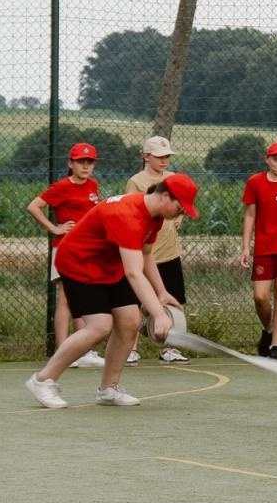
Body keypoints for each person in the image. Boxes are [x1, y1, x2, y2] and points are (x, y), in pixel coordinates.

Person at [24, 173, 200, 409]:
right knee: (99, 326)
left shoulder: (155, 216)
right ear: (166, 196)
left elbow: (146, 255)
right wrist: (158, 314)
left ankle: (108, 389)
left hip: (109, 265)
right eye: (180, 207)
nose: (181, 213)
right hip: (79, 264)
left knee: (130, 321)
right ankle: (43, 380)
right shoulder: (128, 215)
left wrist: (161, 292)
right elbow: (134, 273)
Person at [26, 141, 105, 368]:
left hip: (87, 249)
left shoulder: (93, 184)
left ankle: (83, 350)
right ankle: (62, 351)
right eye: (80, 161)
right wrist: (55, 228)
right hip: (65, 248)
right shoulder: (61, 187)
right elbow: (33, 206)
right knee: (66, 299)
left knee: (84, 299)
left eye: (89, 162)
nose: (86, 166)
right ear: (70, 163)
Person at [125, 135, 189, 364]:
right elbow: (132, 211)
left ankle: (168, 348)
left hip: (169, 252)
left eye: (167, 156)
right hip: (144, 252)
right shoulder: (136, 181)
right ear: (146, 156)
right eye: (159, 156)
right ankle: (131, 348)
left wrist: (179, 217)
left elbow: (183, 204)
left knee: (172, 299)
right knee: (135, 301)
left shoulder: (173, 179)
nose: (164, 161)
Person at [240, 140, 277, 360]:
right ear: (267, 159)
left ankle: (276, 345)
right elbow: (250, 215)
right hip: (264, 248)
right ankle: (267, 329)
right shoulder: (255, 182)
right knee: (260, 297)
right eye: (276, 159)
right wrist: (246, 247)